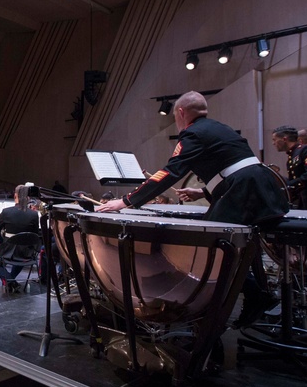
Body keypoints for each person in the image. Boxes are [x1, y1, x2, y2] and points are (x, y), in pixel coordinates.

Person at [98, 91, 289, 327]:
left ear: (180, 113)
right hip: (261, 188)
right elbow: (234, 166)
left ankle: (216, 314)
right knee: (229, 248)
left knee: (214, 249)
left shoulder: (193, 133)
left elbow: (169, 173)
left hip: (245, 192)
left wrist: (125, 201)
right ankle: (251, 294)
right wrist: (204, 192)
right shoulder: (219, 128)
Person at [0, 184, 42, 293]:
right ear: (28, 198)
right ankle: (11, 280)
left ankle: (10, 281)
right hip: (26, 253)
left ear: (15, 196)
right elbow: (35, 234)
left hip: (8, 250)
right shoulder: (33, 214)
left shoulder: (6, 212)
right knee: (22, 258)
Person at [272, 125, 307, 209]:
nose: (273, 143)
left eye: (274, 140)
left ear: (284, 139)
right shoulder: (294, 154)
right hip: (304, 201)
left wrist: (287, 186)